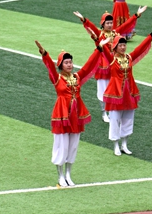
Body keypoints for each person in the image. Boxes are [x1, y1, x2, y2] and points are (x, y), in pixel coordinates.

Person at [35, 36, 109, 187]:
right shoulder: (57, 78)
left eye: (70, 62)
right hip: (62, 114)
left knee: (73, 145)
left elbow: (88, 66)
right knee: (61, 145)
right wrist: (45, 54)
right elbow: (50, 68)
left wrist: (99, 48)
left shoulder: (77, 77)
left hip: (76, 114)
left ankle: (68, 174)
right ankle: (60, 175)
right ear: (60, 65)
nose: (69, 65)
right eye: (66, 62)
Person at [100, 23, 152, 156]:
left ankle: (124, 144)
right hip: (116, 93)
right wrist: (102, 44)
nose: (123, 47)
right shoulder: (112, 59)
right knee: (115, 119)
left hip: (129, 93)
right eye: (120, 45)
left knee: (128, 119)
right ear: (115, 47)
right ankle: (116, 145)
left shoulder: (129, 58)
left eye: (124, 45)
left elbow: (140, 49)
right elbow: (103, 51)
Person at [74, 7, 146, 123]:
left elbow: (126, 25)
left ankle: (114, 111)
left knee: (115, 88)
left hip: (116, 65)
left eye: (111, 22)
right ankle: (104, 112)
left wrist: (136, 15)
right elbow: (91, 28)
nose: (109, 25)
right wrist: (84, 20)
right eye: (107, 23)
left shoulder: (116, 33)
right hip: (103, 65)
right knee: (102, 89)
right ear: (102, 24)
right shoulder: (100, 34)